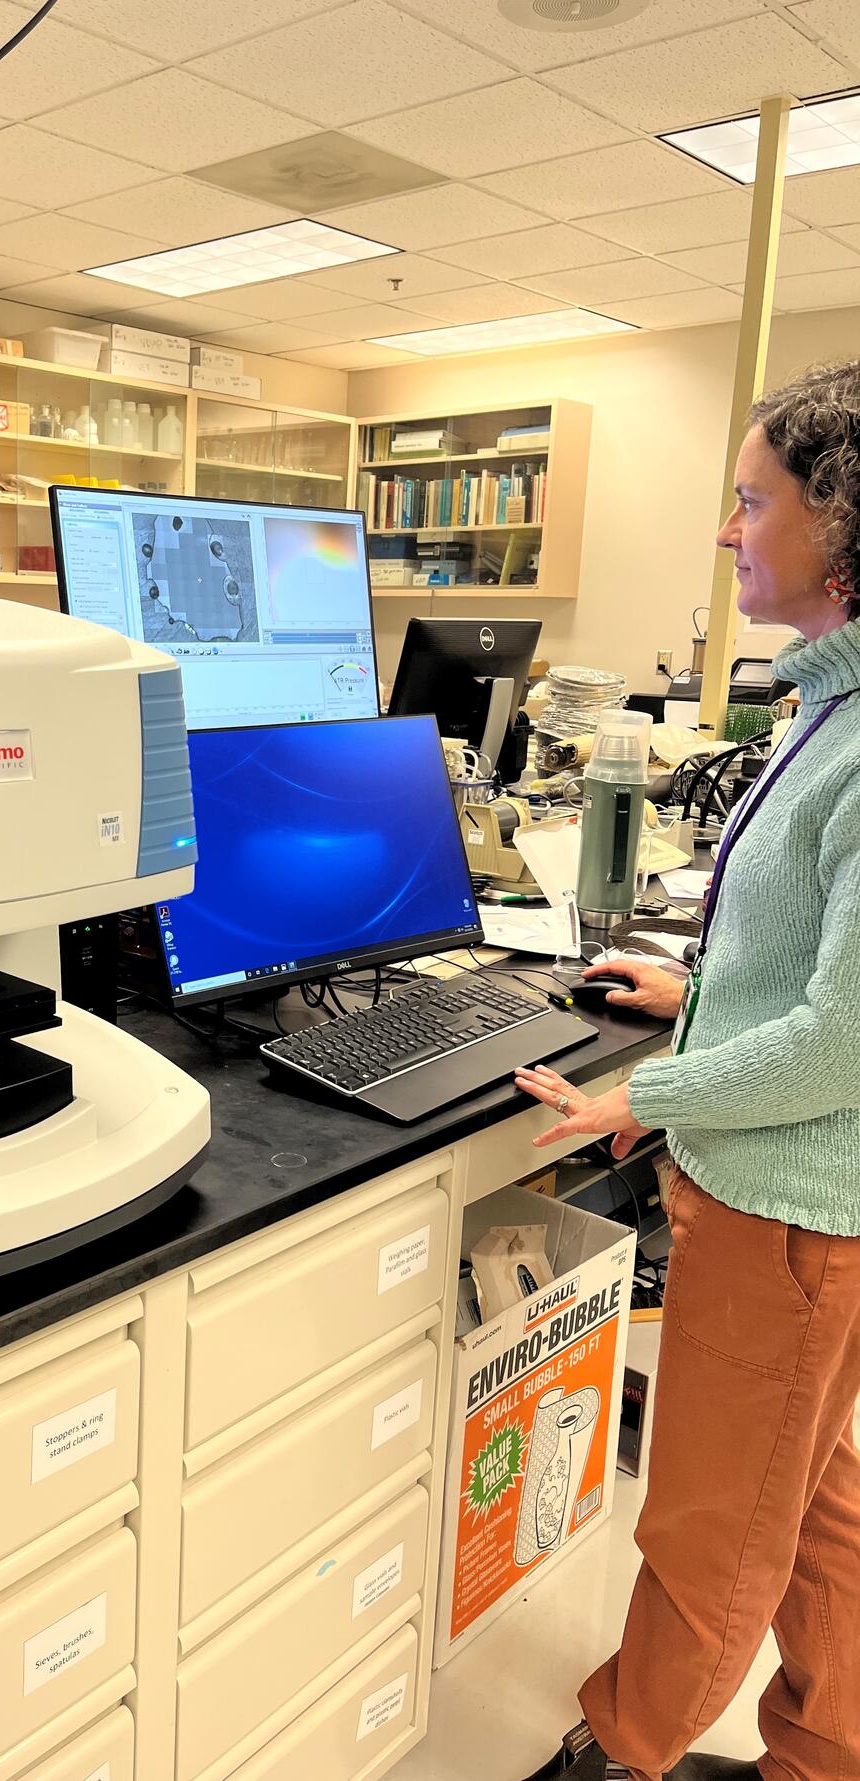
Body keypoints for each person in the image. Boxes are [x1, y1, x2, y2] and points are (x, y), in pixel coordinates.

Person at [514, 361, 860, 1781]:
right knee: (817, 1490)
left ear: (843, 523)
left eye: (749, 499)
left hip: (789, 1213)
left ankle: (621, 1748)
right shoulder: (829, 703)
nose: (728, 531)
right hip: (806, 1219)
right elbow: (808, 959)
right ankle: (831, 1749)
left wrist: (642, 1091)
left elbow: (846, 1038)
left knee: (712, 1527)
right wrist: (697, 992)